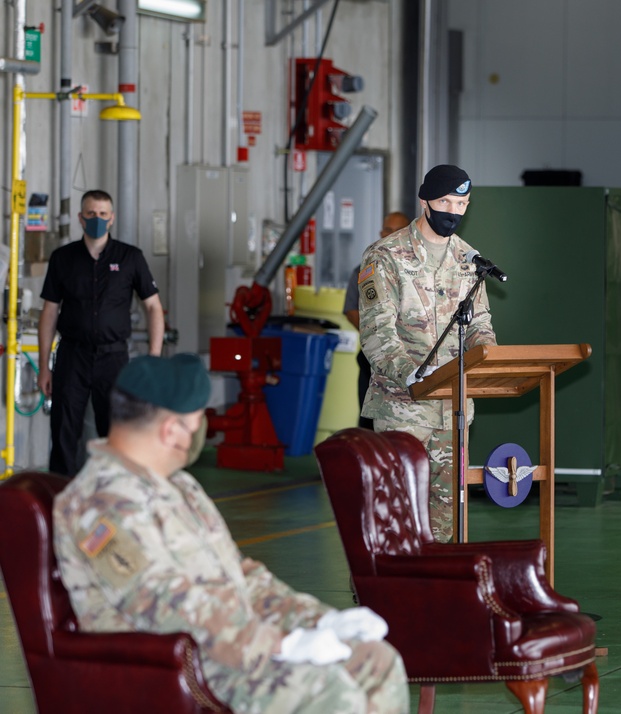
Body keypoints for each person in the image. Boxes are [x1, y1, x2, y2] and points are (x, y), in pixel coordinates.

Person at [52, 354, 409, 713]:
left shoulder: (180, 487)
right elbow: (161, 605)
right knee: (328, 692)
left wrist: (317, 619)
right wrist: (277, 645)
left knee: (377, 662)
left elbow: (239, 575)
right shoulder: (97, 504)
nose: (201, 431)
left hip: (231, 646)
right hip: (176, 662)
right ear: (171, 430)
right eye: (197, 421)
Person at [358, 165, 496, 543]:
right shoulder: (385, 256)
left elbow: (480, 321)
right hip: (404, 408)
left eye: (462, 203)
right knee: (398, 511)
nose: (453, 210)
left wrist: (490, 355)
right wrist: (413, 374)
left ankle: (440, 591)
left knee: (448, 518)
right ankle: (386, 589)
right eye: (445, 201)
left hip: (452, 411)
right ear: (425, 202)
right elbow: (377, 334)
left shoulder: (470, 261)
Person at [38, 189, 165, 477]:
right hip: (72, 357)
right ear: (80, 218)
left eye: (102, 214)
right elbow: (49, 312)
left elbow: (154, 308)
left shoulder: (130, 258)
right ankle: (60, 501)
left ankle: (115, 494)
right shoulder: (63, 258)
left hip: (114, 358)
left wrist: (153, 360)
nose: (97, 219)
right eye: (91, 214)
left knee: (118, 434)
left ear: (112, 219)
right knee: (63, 432)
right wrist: (45, 366)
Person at [344, 211, 410, 430]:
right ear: (381, 233)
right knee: (369, 416)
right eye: (387, 230)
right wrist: (377, 334)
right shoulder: (366, 268)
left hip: (410, 357)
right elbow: (352, 311)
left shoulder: (415, 270)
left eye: (397, 230)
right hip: (373, 356)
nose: (391, 235)